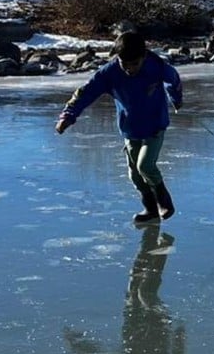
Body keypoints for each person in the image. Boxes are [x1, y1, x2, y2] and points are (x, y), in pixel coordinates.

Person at [55, 31, 183, 224]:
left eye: (135, 64)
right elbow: (85, 93)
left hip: (156, 125)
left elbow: (174, 80)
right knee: (134, 174)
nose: (130, 69)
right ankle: (150, 209)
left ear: (144, 57)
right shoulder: (109, 73)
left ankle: (164, 201)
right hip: (130, 128)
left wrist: (176, 99)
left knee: (145, 165)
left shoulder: (157, 67)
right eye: (125, 64)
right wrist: (68, 115)